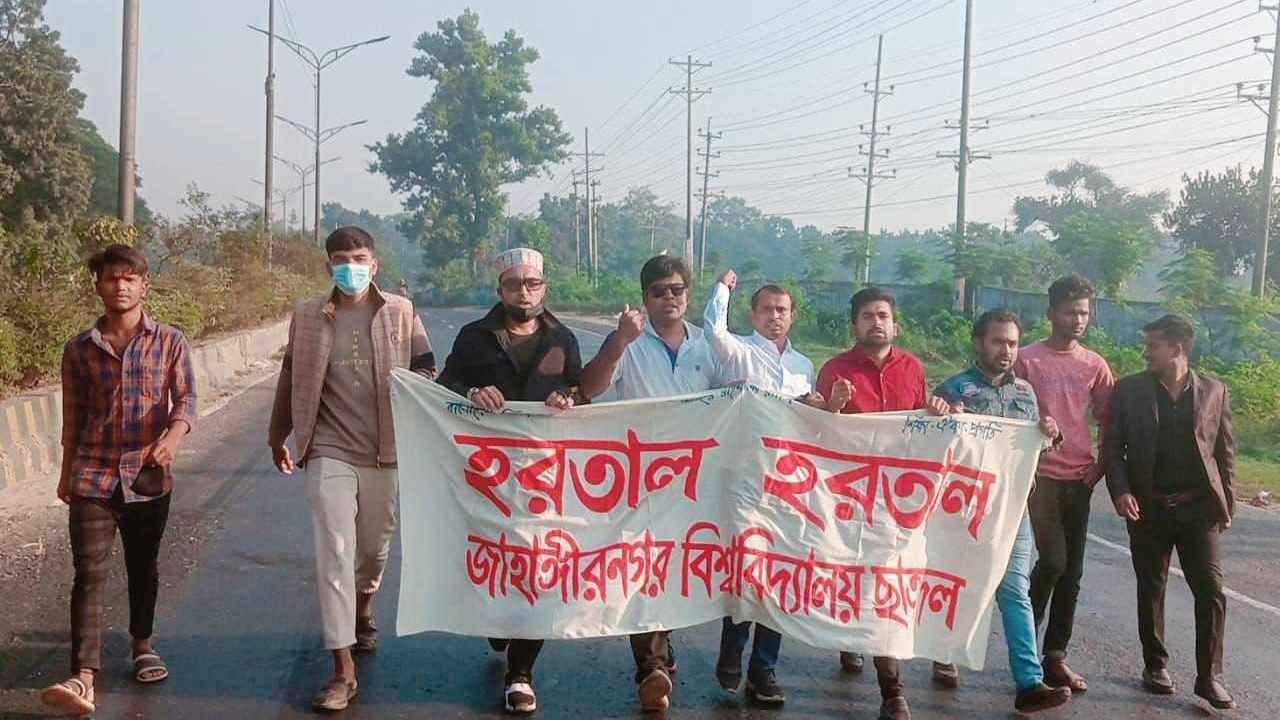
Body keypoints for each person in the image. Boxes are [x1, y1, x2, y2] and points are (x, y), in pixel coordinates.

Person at [267, 226, 436, 712]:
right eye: (341, 259)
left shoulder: (401, 313)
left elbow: (427, 370)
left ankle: (364, 605)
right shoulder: (305, 316)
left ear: (375, 264)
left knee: (373, 548)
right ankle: (343, 668)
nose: (350, 267)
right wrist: (277, 434)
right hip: (328, 447)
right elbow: (290, 376)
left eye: (358, 258)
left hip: (386, 450)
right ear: (328, 266)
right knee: (335, 550)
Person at [41, 245, 196, 716]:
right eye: (112, 278)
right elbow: (73, 417)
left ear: (144, 286)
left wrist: (173, 438)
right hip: (91, 474)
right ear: (99, 286)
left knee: (142, 566)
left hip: (148, 477)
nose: (121, 286)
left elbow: (186, 402)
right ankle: (83, 675)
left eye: (130, 278)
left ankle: (142, 644)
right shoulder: (78, 348)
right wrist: (67, 473)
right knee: (88, 573)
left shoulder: (169, 340)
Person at [436, 248, 582, 715]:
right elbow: (443, 386)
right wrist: (472, 393)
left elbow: (581, 389)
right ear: (500, 289)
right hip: (487, 476)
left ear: (544, 287)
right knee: (499, 562)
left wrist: (568, 397)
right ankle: (497, 621)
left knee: (541, 567)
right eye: (515, 284)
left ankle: (521, 672)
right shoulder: (473, 337)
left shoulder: (564, 339)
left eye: (533, 283)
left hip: (544, 474)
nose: (525, 291)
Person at [579, 254, 723, 713]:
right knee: (639, 568)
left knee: (675, 569)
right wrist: (619, 342)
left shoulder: (710, 345)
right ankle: (651, 667)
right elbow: (592, 387)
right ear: (645, 298)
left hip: (695, 480)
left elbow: (738, 398)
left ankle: (663, 648)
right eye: (659, 291)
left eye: (677, 289)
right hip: (637, 478)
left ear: (688, 294)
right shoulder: (630, 344)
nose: (669, 298)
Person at [930, 309, 1073, 714]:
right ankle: (944, 652)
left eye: (1012, 342)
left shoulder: (1025, 393)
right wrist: (941, 418)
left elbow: (1037, 447)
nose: (1006, 350)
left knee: (1014, 592)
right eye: (998, 341)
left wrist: (1050, 433)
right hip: (964, 509)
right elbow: (931, 446)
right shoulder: (955, 390)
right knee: (958, 583)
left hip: (1013, 510)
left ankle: (1029, 682)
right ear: (978, 343)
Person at [702, 268, 823, 705]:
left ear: (792, 317)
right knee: (745, 569)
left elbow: (810, 423)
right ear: (752, 315)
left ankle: (764, 669)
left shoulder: (803, 366)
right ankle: (732, 651)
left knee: (780, 576)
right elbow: (713, 329)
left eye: (783, 310)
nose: (776, 316)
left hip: (789, 485)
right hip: (742, 479)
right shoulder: (738, 353)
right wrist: (722, 289)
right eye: (768, 309)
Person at [1104, 315, 1235, 710]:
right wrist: (1122, 491)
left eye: (1153, 345)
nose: (1145, 352)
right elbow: (1112, 448)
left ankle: (1209, 677)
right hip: (1149, 507)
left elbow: (1224, 451)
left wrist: (1226, 504)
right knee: (1152, 587)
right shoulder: (1129, 390)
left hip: (1198, 509)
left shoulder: (1214, 390)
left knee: (1210, 590)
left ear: (1177, 349)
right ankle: (1155, 665)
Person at [813, 286, 927, 720]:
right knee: (850, 575)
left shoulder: (913, 369)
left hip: (899, 498)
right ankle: (851, 637)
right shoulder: (836, 370)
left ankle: (892, 691)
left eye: (883, 315)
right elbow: (818, 436)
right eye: (867, 316)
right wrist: (835, 408)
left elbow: (923, 431)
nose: (876, 322)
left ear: (894, 323)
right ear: (854, 325)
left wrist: (935, 412)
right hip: (848, 498)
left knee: (886, 584)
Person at [1015, 275, 1114, 693]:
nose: (1078, 320)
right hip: (1039, 479)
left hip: (1080, 478)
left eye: (1085, 313)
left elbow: (1111, 419)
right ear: (1051, 312)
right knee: (1052, 560)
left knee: (1072, 572)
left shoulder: (1094, 364)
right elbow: (1007, 413)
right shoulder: (1026, 360)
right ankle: (1024, 649)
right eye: (1071, 312)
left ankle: (1054, 657)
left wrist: (1102, 465)